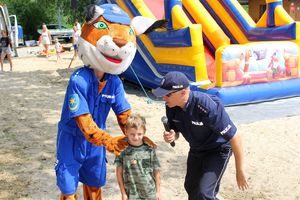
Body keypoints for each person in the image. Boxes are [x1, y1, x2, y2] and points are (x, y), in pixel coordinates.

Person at [152, 71, 249, 200]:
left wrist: (240, 170)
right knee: (191, 187)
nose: (164, 98)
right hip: (196, 149)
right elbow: (175, 131)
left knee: (204, 193)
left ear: (183, 92)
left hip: (218, 150)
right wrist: (172, 135)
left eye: (168, 94)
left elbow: (235, 137)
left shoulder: (206, 106)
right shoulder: (171, 105)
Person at [115, 113, 161, 200]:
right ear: (126, 131)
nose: (136, 137)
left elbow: (157, 171)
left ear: (144, 132)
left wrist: (158, 192)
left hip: (150, 193)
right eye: (132, 134)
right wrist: (123, 193)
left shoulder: (150, 148)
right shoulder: (122, 149)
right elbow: (119, 172)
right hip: (131, 194)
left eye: (139, 134)